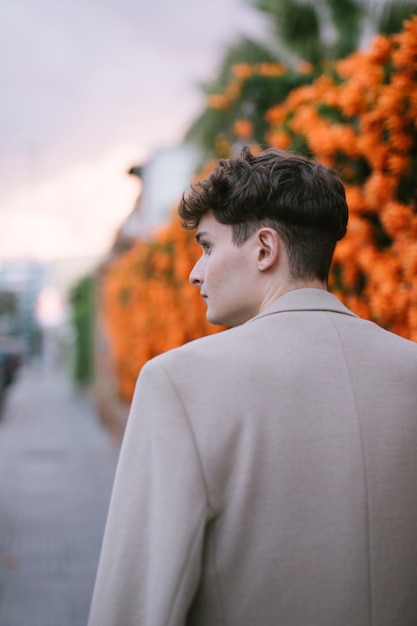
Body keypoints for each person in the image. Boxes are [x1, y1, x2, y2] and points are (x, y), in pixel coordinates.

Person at [88, 146, 417, 626]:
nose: (194, 273)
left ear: (265, 249)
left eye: (207, 246)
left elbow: (135, 603)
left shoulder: (177, 383)